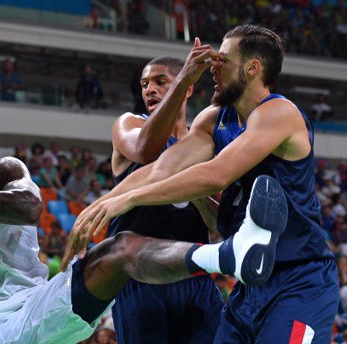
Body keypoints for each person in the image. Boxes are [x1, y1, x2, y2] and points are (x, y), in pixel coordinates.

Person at [0, 93, 285, 343]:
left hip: (31, 307)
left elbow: (30, 209)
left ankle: (227, 255)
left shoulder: (3, 172)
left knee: (121, 247)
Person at [67, 25, 339, 343]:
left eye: (223, 59)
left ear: (252, 68)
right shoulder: (213, 120)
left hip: (299, 280)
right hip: (248, 284)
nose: (213, 65)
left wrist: (124, 200)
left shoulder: (279, 113)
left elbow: (216, 174)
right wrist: (101, 204)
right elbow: (161, 169)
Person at [107, 56, 223, 343]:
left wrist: (191, 187)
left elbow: (219, 223)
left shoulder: (206, 145)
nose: (150, 90)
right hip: (140, 277)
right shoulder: (129, 124)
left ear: (187, 89)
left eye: (161, 82)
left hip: (194, 279)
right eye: (145, 84)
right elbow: (145, 150)